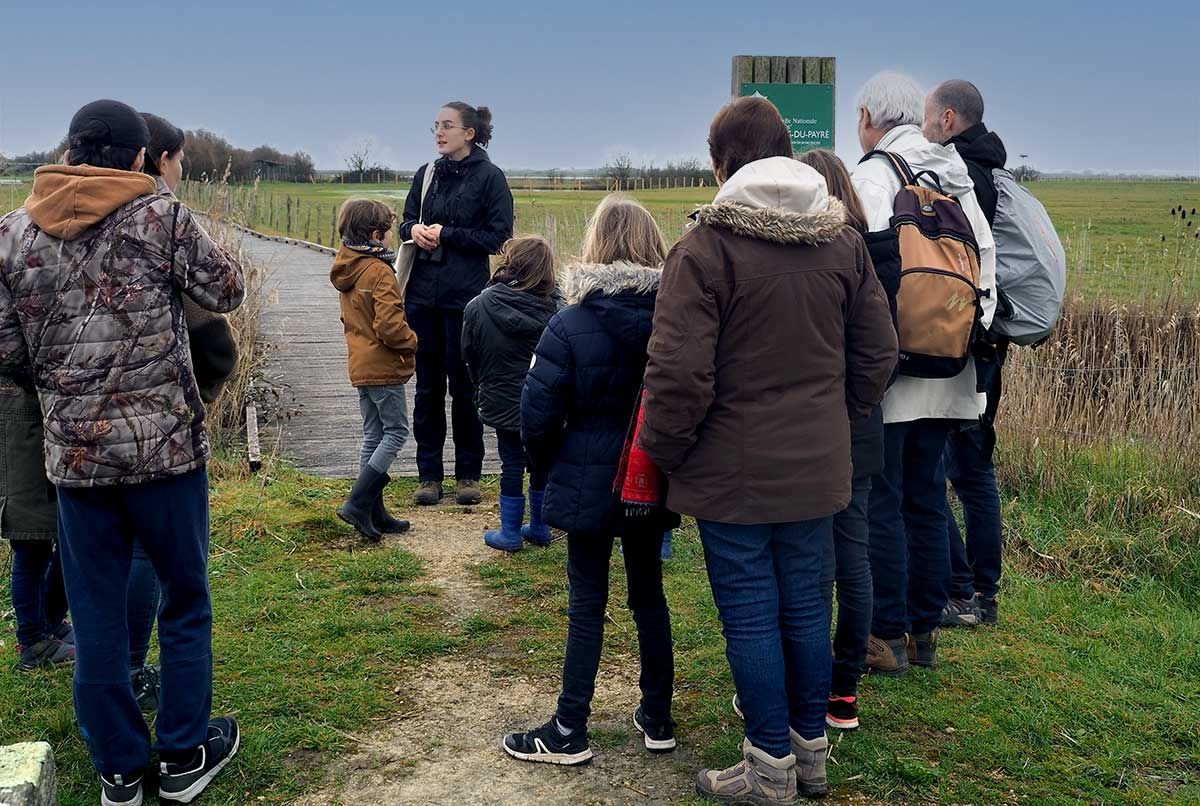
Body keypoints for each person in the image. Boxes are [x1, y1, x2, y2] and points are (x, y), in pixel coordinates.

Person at [641, 98, 897, 802]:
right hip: (818, 464)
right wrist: (834, 419)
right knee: (808, 606)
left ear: (721, 162)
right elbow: (879, 355)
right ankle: (809, 755)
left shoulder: (704, 249)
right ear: (786, 150)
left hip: (731, 472)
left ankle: (767, 767)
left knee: (751, 610)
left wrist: (668, 453)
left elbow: (677, 376)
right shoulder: (842, 243)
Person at [0, 99, 245, 806]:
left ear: (69, 150)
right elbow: (226, 289)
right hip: (165, 454)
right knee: (186, 600)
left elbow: (7, 351)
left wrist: (65, 390)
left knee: (96, 612)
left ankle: (119, 771)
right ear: (140, 157)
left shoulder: (12, 234)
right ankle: (184, 754)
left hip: (77, 463)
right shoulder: (159, 216)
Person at [503, 195, 677, 766]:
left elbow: (537, 413)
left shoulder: (569, 323)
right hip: (648, 476)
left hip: (584, 473)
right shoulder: (674, 323)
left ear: (596, 244)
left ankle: (569, 726)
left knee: (587, 601)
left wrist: (547, 467)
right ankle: (657, 715)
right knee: (649, 595)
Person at [849, 72, 997, 676]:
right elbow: (986, 266)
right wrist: (960, 343)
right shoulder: (953, 175)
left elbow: (860, 276)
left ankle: (884, 633)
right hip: (950, 368)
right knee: (928, 496)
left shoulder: (873, 177)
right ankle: (924, 632)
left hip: (895, 371)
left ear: (867, 117)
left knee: (882, 501)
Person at [798, 148, 885, 731]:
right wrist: (858, 406)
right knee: (854, 559)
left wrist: (838, 407)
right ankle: (843, 689)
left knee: (811, 563)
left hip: (819, 426)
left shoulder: (817, 255)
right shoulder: (869, 249)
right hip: (863, 424)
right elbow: (880, 351)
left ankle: (805, 683)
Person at [923, 80, 1008, 627]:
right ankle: (974, 588)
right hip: (986, 339)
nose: (925, 127)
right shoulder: (992, 167)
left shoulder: (964, 175)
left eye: (928, 118)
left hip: (968, 341)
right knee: (963, 467)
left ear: (949, 118)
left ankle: (975, 592)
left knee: (963, 469)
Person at [400, 101, 514, 507]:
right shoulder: (425, 174)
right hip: (422, 298)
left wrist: (446, 234)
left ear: (469, 133)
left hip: (466, 299)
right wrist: (414, 230)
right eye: (436, 125)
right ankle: (428, 476)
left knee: (465, 390)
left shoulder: (491, 178)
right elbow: (404, 222)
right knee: (427, 389)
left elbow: (499, 237)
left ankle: (469, 475)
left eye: (447, 125)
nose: (439, 132)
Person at [461, 235, 560, 552]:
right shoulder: (559, 309)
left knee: (511, 463)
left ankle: (510, 532)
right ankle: (541, 527)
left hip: (501, 397)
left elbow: (469, 353)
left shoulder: (479, 306)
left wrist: (481, 385)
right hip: (545, 401)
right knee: (541, 463)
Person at [330, 199, 418, 542]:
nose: (391, 236)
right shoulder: (380, 271)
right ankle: (357, 503)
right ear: (375, 234)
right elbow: (389, 326)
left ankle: (374, 511)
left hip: (360, 362)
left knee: (373, 435)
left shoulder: (347, 265)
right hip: (383, 365)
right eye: (388, 230)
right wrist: (412, 341)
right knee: (395, 432)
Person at [2, 368, 73, 671]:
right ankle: (33, 641)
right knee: (31, 542)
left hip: (44, 423)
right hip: (20, 427)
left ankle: (50, 622)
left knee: (68, 538)